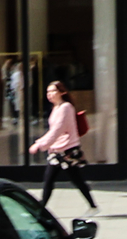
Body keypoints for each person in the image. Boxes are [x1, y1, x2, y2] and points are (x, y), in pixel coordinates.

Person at [28, 80, 96, 210]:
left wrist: (39, 145)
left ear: (62, 92)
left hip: (67, 150)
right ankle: (42, 208)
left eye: (53, 91)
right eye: (48, 92)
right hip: (57, 150)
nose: (50, 94)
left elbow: (57, 130)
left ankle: (93, 206)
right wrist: (41, 143)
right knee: (49, 180)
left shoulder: (66, 107)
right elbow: (53, 131)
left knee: (76, 180)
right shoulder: (56, 108)